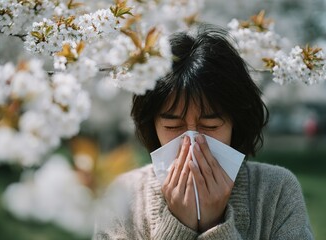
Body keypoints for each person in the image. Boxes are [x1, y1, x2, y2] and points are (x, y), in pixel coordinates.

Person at [93, 24, 313, 239]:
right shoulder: (123, 196)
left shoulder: (277, 191)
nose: (192, 142)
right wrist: (178, 226)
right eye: (173, 127)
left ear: (235, 123)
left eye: (210, 126)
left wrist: (214, 225)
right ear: (152, 125)